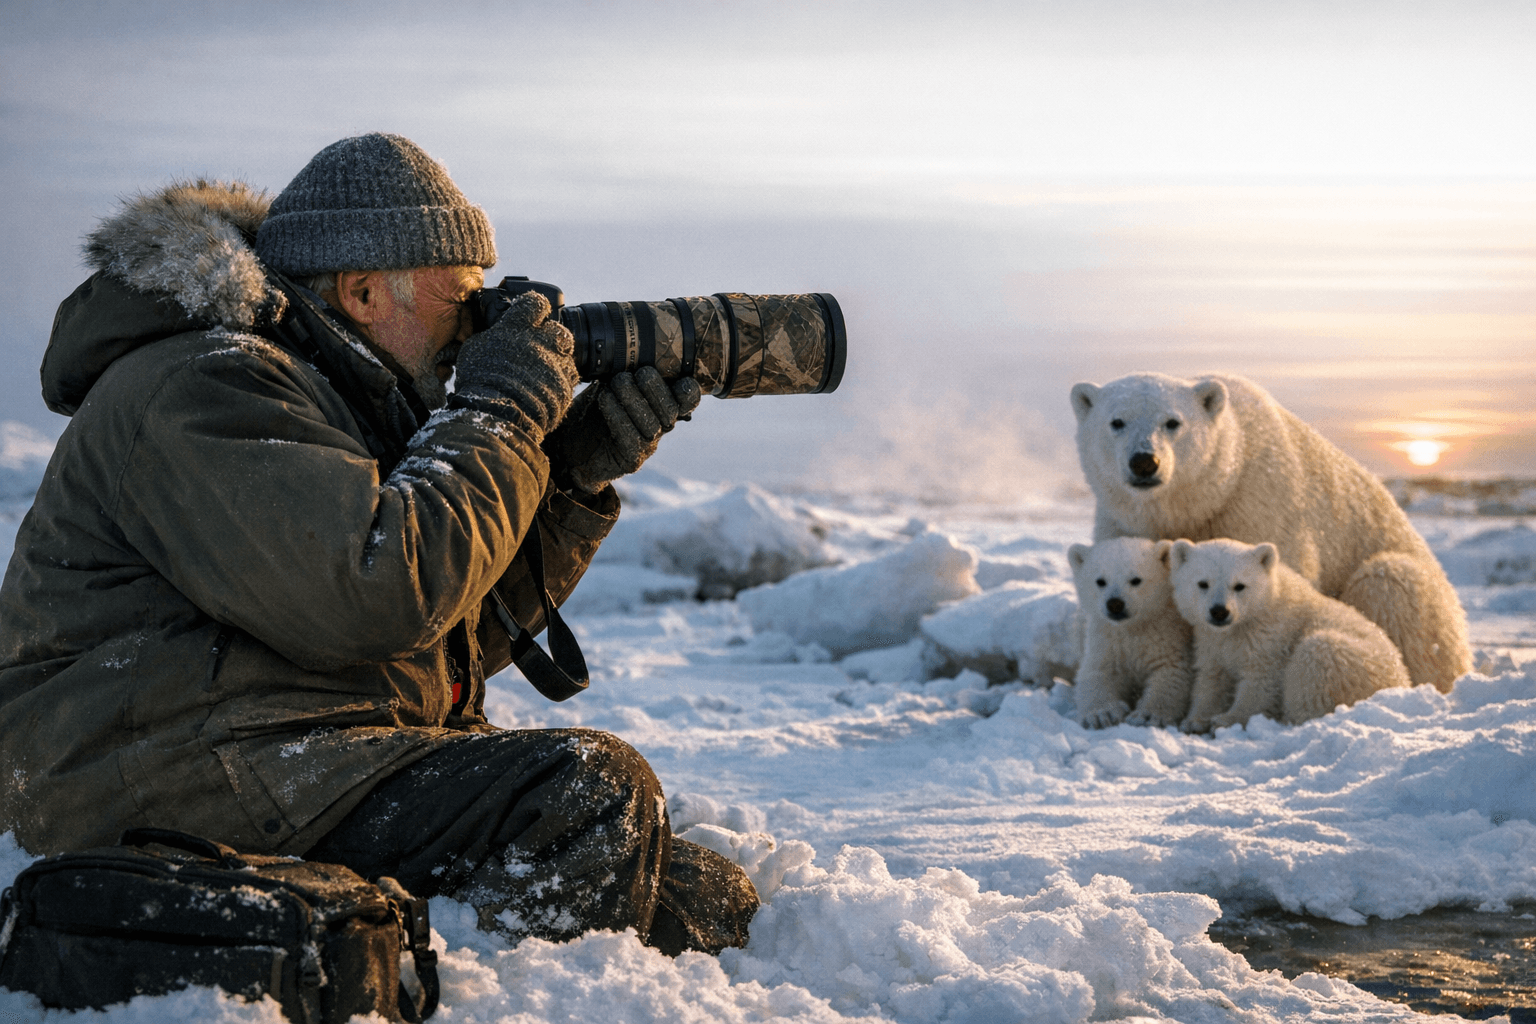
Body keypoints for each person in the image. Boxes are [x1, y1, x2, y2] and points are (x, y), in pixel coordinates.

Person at [0, 133, 757, 955]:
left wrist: (565, 473)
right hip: (150, 778)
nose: (479, 323)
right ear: (363, 292)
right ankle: (501, 997)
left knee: (698, 894)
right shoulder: (208, 384)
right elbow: (376, 600)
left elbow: (438, 631)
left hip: (287, 757)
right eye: (459, 297)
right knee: (587, 793)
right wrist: (499, 416)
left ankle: (438, 958)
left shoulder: (341, 396)